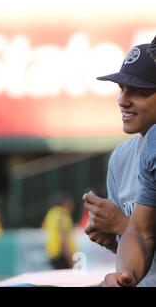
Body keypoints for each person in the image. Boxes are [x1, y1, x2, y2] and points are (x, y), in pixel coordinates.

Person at [83, 42, 156, 286]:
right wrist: (114, 240)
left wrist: (122, 225)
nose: (122, 100)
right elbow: (142, 235)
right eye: (122, 88)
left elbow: (138, 230)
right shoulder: (123, 158)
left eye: (137, 91)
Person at [102, 124, 156, 286]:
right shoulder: (152, 142)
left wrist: (123, 225)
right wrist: (125, 276)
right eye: (122, 95)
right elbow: (142, 231)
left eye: (139, 96)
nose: (123, 101)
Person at [42, 193, 77, 269]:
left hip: (52, 253)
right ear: (65, 203)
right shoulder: (63, 215)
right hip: (62, 255)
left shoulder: (51, 214)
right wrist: (70, 259)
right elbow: (64, 238)